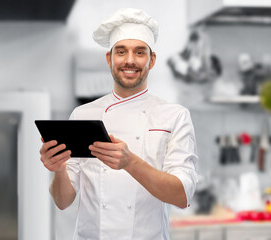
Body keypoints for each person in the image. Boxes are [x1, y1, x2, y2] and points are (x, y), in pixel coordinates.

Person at [40, 8, 198, 240]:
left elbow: (182, 195)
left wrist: (130, 162)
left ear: (151, 60)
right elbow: (63, 201)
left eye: (140, 52)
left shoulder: (174, 116)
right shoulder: (82, 115)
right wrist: (59, 169)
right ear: (109, 58)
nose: (130, 60)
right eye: (121, 51)